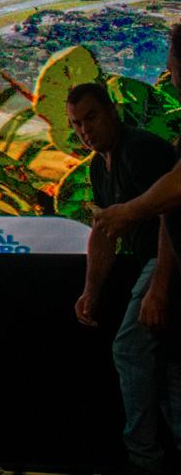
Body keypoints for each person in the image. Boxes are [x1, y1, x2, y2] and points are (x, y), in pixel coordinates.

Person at [69, 82, 181, 475]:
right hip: (154, 265)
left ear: (113, 111)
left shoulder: (142, 149)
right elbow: (104, 232)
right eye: (76, 124)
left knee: (130, 350)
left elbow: (173, 216)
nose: (84, 130)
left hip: (169, 261)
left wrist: (159, 287)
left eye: (91, 117)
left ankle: (143, 459)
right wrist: (90, 291)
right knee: (167, 368)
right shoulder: (101, 166)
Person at [96, 22, 181, 265]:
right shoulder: (98, 165)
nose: (169, 78)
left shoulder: (140, 148)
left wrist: (128, 213)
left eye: (171, 68)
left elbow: (175, 191)